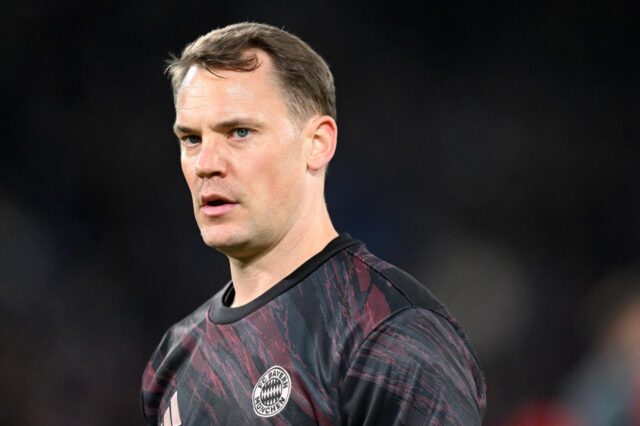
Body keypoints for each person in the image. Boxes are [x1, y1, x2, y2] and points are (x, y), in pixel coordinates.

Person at [141, 22, 486, 425]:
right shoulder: (174, 360)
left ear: (317, 144)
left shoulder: (389, 334)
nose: (206, 164)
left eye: (239, 132)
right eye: (191, 139)